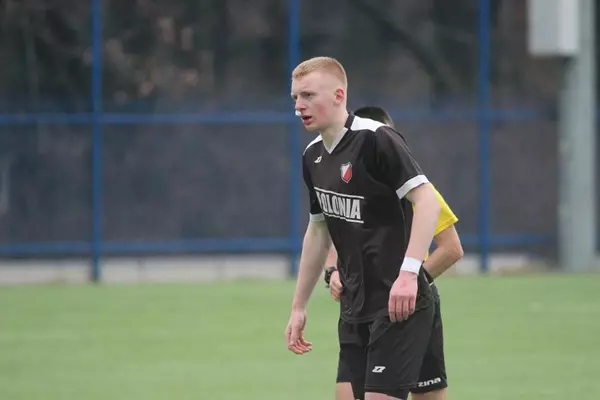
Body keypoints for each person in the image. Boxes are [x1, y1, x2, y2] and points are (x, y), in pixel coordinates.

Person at [284, 56, 442, 400]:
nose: (299, 106)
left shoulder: (376, 139)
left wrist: (409, 273)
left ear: (338, 95)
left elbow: (428, 201)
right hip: (355, 306)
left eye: (308, 95)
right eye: (295, 97)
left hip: (398, 303)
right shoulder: (312, 156)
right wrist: (298, 306)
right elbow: (317, 232)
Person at [323, 106, 464, 400]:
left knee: (426, 392)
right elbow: (337, 235)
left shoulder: (419, 191)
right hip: (360, 304)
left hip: (408, 309)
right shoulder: (348, 187)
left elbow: (451, 248)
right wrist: (333, 271)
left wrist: (409, 283)